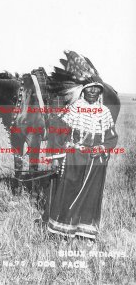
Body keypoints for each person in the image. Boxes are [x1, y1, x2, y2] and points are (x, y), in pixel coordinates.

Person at [39, 51, 120, 240]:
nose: (92, 92)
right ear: (83, 90)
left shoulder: (105, 112)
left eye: (96, 89)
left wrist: (101, 149)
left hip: (95, 163)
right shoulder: (73, 109)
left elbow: (111, 137)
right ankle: (62, 231)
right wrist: (57, 158)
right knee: (68, 193)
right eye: (89, 88)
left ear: (100, 91)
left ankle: (85, 233)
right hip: (74, 158)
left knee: (91, 197)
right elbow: (58, 132)